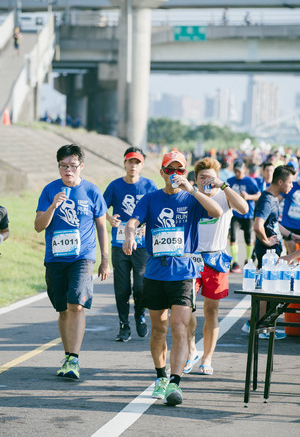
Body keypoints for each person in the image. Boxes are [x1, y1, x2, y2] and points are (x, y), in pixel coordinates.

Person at [122, 151, 223, 406]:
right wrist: (130, 235)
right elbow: (133, 220)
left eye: (179, 170)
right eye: (170, 170)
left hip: (183, 273)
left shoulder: (191, 199)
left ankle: (175, 384)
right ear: (162, 172)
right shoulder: (150, 198)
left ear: (184, 172)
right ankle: (160, 375)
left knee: (179, 327)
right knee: (159, 329)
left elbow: (217, 211)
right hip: (156, 272)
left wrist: (193, 189)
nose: (175, 175)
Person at [34, 144, 110, 379]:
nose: (68, 170)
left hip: (82, 257)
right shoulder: (49, 191)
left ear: (81, 166)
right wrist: (52, 206)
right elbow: (38, 226)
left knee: (76, 305)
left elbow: (101, 227)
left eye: (73, 166)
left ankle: (74, 358)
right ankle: (68, 356)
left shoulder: (92, 191)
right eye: (64, 166)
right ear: (58, 167)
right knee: (63, 309)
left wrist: (105, 259)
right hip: (56, 258)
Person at [183, 158, 248, 375]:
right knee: (186, 308)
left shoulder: (224, 195)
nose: (206, 181)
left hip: (216, 259)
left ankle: (207, 357)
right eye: (202, 177)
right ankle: (192, 350)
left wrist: (224, 186)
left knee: (211, 311)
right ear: (195, 179)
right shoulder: (190, 196)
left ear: (217, 177)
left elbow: (244, 208)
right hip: (191, 259)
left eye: (210, 177)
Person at [103, 147, 157, 342]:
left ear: (142, 165)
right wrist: (109, 218)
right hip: (119, 244)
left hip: (141, 244)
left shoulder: (149, 186)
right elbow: (100, 208)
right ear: (124, 163)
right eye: (130, 161)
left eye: (137, 162)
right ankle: (123, 324)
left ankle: (139, 315)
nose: (133, 165)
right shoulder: (115, 186)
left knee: (141, 285)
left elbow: (156, 210)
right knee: (122, 287)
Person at [242, 165, 300, 339]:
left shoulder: (274, 198)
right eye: (289, 182)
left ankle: (254, 324)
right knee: (267, 291)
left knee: (270, 291)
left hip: (273, 252)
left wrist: (291, 235)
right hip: (267, 254)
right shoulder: (267, 200)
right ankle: (261, 327)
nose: (291, 186)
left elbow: (273, 223)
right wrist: (266, 241)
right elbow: (258, 225)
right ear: (280, 181)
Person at [228, 160, 261, 273]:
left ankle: (248, 260)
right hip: (235, 214)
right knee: (233, 238)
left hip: (248, 215)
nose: (238, 173)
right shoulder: (230, 181)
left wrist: (248, 196)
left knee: (248, 239)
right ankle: (235, 263)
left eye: (240, 171)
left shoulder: (249, 181)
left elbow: (258, 195)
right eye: (236, 171)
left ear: (244, 170)